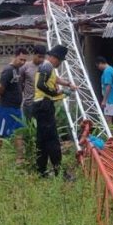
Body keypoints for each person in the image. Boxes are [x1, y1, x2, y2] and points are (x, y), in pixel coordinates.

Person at [33, 44, 77, 176]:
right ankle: (60, 171)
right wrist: (57, 92)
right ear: (54, 58)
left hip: (41, 105)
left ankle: (41, 171)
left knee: (42, 140)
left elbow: (54, 79)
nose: (60, 63)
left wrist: (67, 84)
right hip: (44, 105)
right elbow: (41, 84)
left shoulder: (48, 67)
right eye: (60, 60)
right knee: (52, 140)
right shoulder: (47, 66)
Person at [0, 48, 27, 162]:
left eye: (24, 60)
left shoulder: (17, 70)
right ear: (15, 56)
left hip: (16, 109)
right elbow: (0, 88)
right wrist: (6, 97)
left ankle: (20, 159)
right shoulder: (8, 70)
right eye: (21, 59)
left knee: (19, 132)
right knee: (0, 133)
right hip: (6, 108)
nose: (22, 62)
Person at [18, 44, 47, 120]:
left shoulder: (45, 67)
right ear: (34, 54)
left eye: (43, 57)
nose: (41, 59)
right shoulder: (25, 67)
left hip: (42, 103)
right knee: (30, 128)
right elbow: (20, 83)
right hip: (29, 103)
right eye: (39, 56)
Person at [96, 56, 113, 126]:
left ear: (100, 63)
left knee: (108, 120)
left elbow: (108, 86)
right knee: (109, 119)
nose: (98, 68)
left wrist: (104, 100)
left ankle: (110, 136)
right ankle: (110, 136)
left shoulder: (107, 71)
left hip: (110, 99)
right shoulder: (111, 69)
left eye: (98, 66)